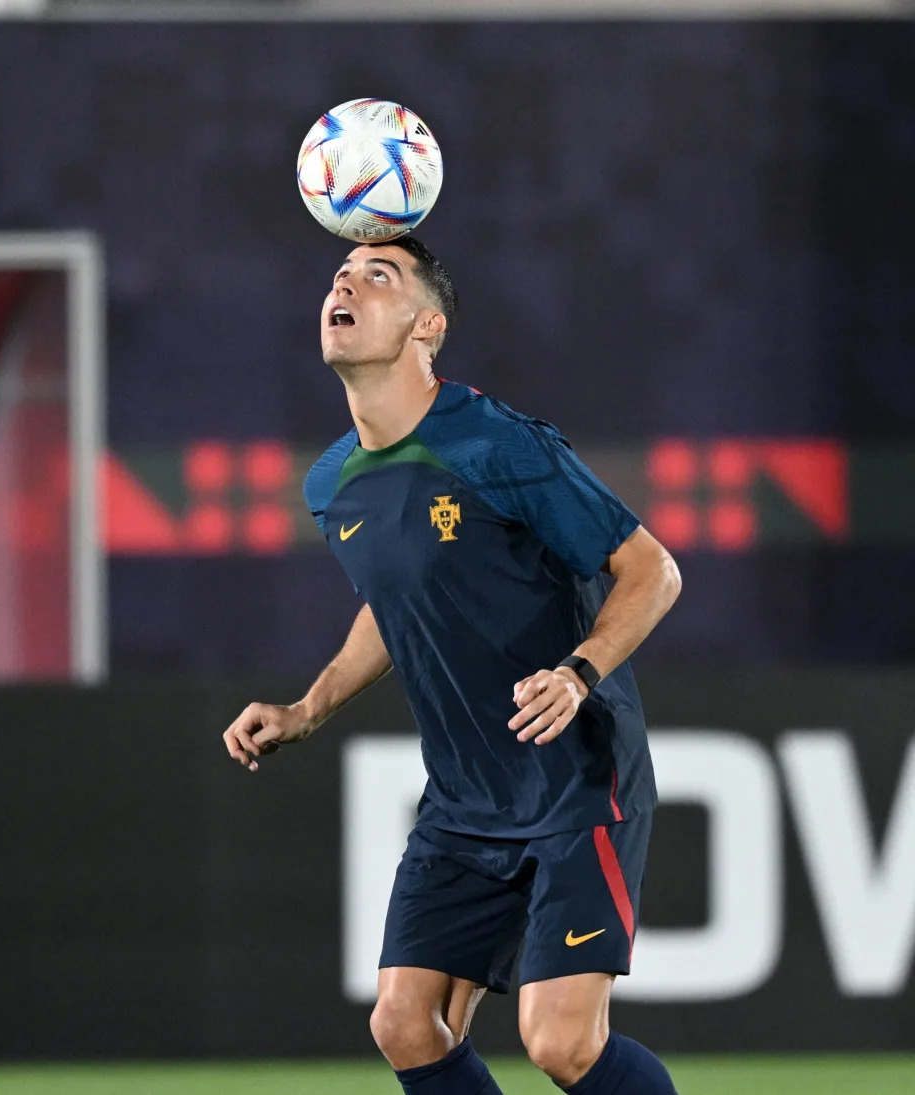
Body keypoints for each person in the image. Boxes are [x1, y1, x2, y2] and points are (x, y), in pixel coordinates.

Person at [222, 236, 682, 1095]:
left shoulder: (496, 444)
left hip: (577, 783)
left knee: (561, 1044)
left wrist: (577, 673)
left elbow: (653, 569)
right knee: (402, 1022)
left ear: (426, 326)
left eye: (378, 276)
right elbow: (400, 604)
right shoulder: (333, 483)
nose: (346, 285)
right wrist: (305, 708)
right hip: (464, 801)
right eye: (339, 275)